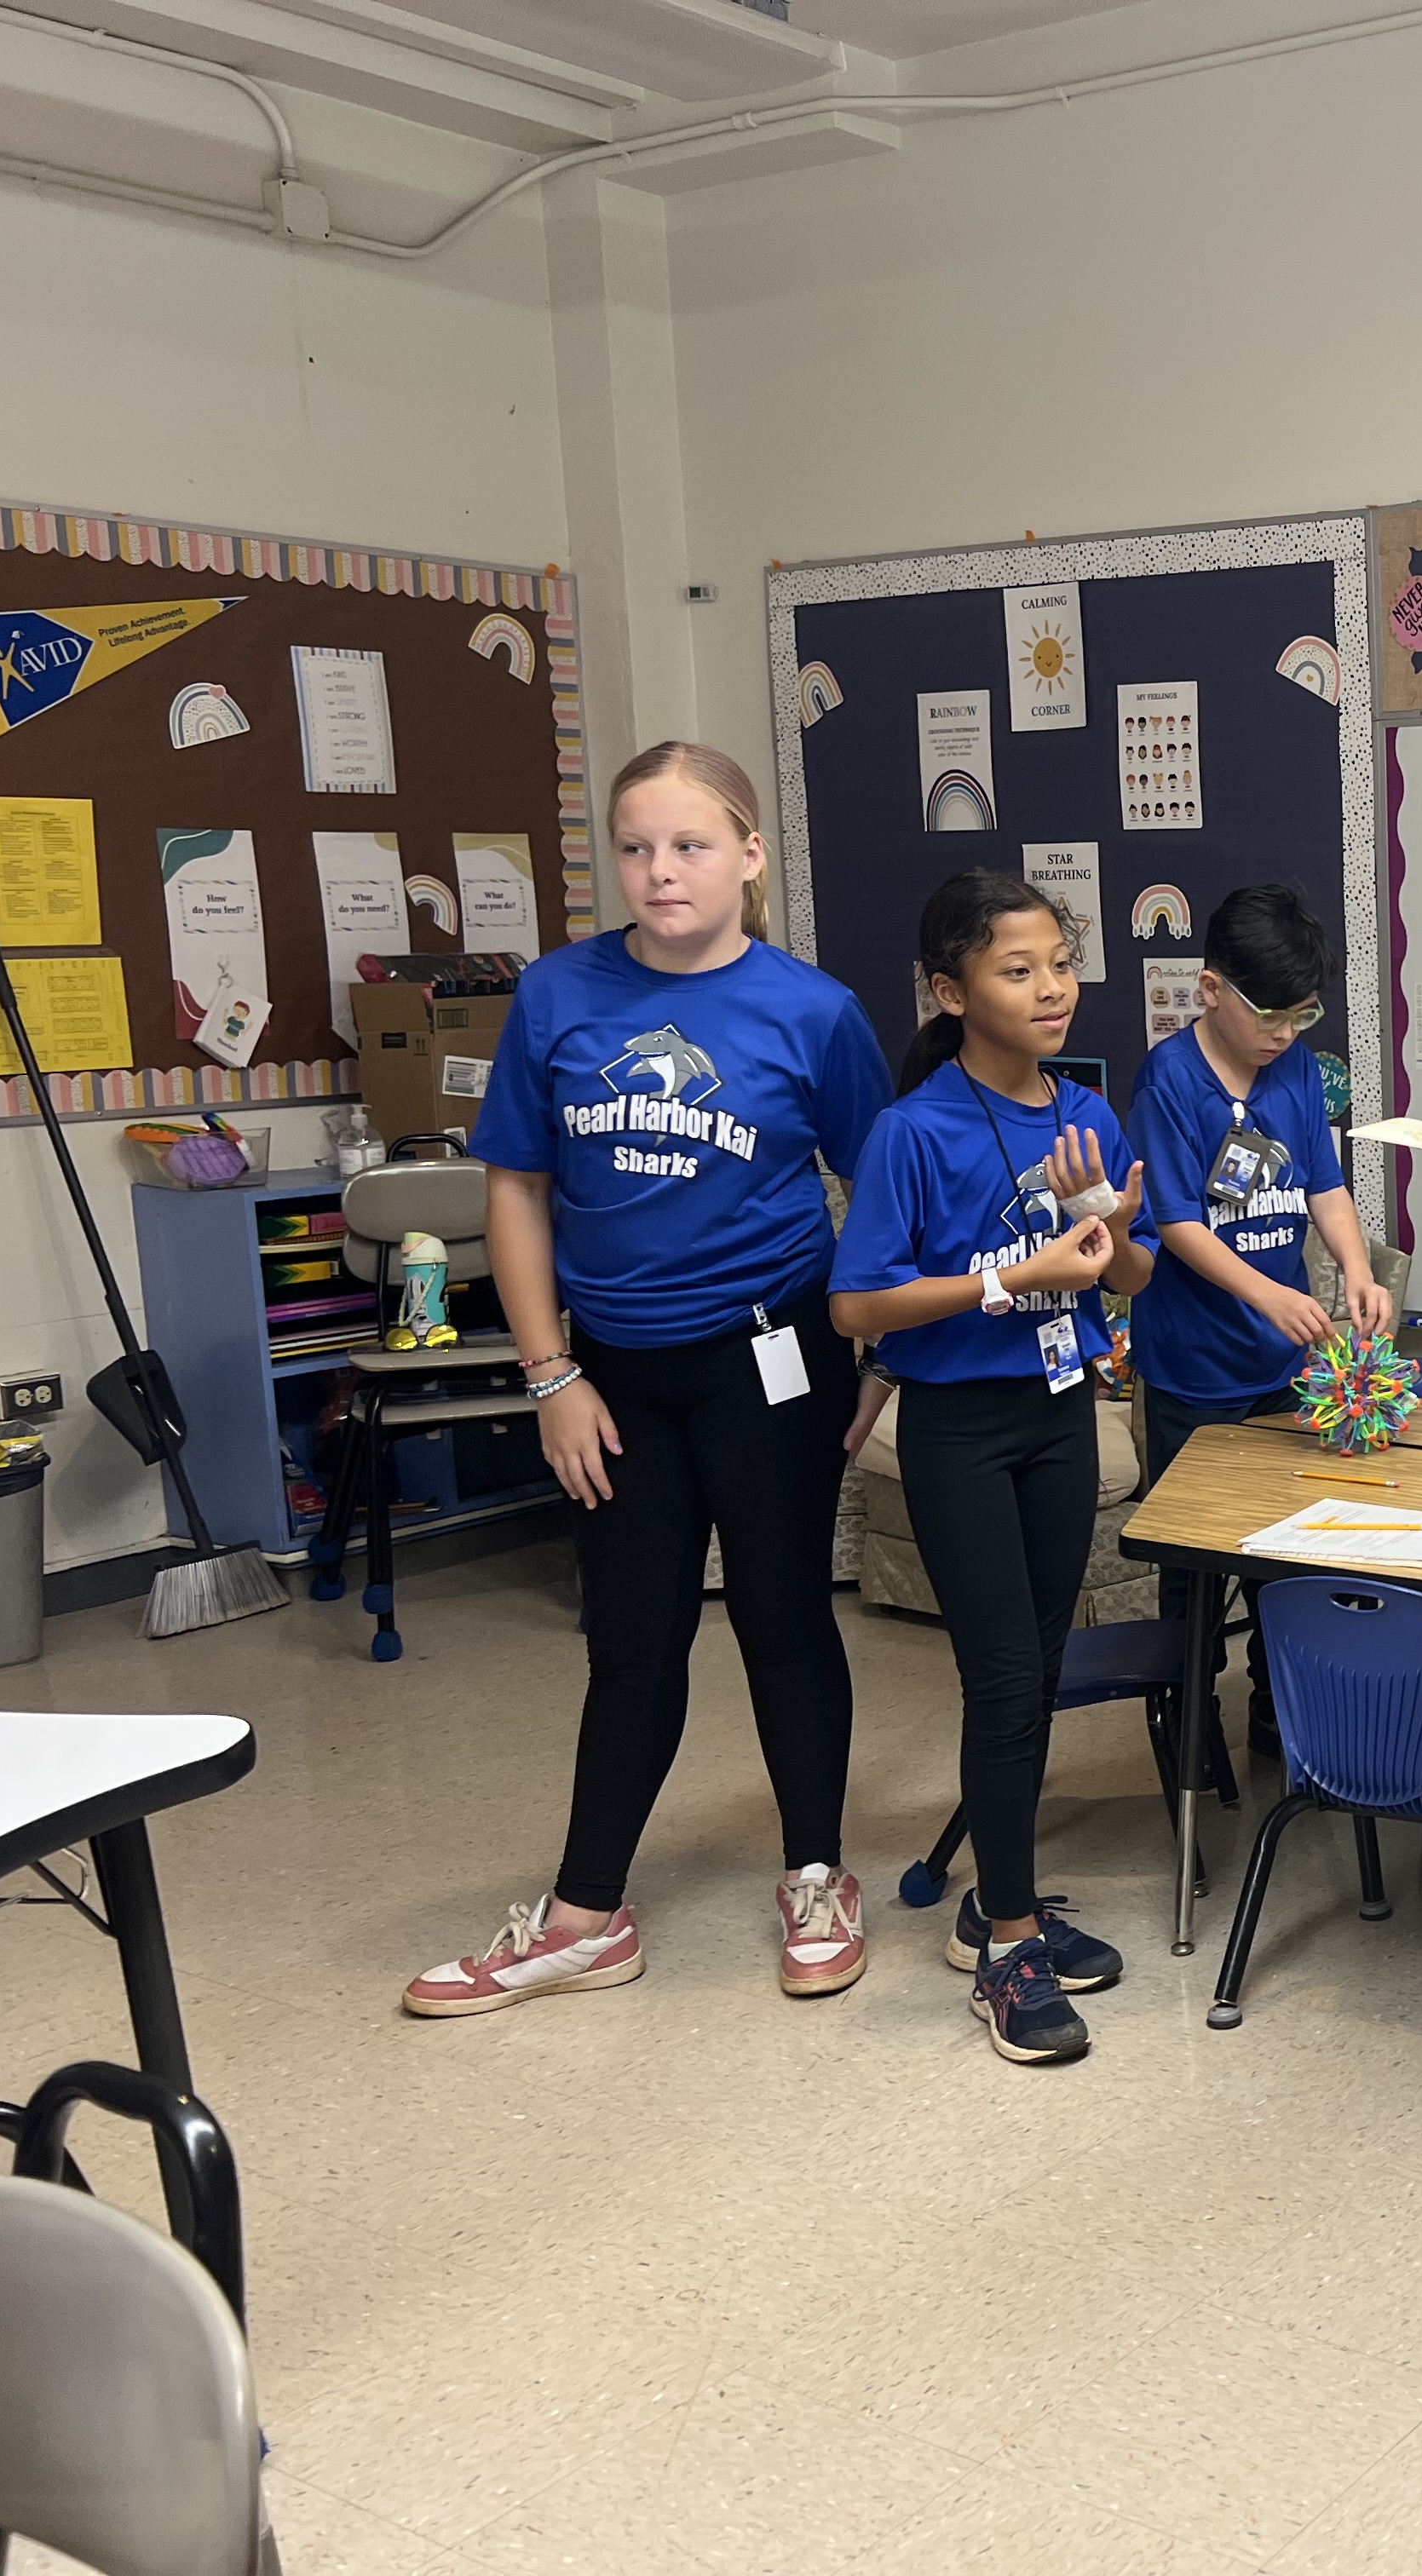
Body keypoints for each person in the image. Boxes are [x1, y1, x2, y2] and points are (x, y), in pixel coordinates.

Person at [404, 741, 890, 2016]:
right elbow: (516, 1190)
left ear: (749, 856)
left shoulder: (813, 1011)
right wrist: (549, 1374)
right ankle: (585, 1917)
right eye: (635, 847)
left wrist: (883, 1355)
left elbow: (886, 1191)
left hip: (770, 1359)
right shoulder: (558, 996)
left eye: (689, 845)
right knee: (630, 1640)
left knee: (786, 1619)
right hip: (610, 1374)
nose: (660, 871)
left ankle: (817, 1874)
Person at [830, 871, 1149, 2063]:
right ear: (950, 991)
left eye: (1060, 963)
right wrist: (1014, 1277)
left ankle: (996, 1899)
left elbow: (1131, 1276)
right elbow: (858, 1303)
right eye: (1019, 970)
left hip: (1060, 1416)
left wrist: (1110, 1231)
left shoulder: (1086, 1114)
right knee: (1005, 1681)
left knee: (1041, 1672)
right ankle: (1010, 1947)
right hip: (959, 1431)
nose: (1053, 988)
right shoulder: (913, 1131)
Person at [1126, 883, 1392, 1716]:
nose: (1284, 1034)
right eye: (1271, 1016)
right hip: (1194, 1372)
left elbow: (1325, 1185)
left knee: (1291, 1550)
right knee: (1196, 1559)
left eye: (1302, 1015)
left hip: (1281, 1371)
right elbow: (1177, 1223)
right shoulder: (1169, 1081)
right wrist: (1270, 1296)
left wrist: (1355, 1270)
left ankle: (1282, 1710)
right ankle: (1188, 1718)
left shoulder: (1298, 1070)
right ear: (1211, 989)